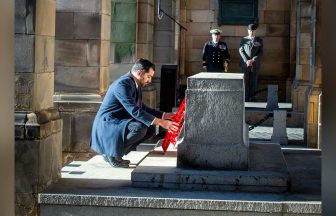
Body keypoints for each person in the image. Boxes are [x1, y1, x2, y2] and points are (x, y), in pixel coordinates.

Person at [90, 58, 179, 168]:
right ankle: (111, 154)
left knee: (150, 128)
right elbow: (134, 110)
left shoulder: (134, 83)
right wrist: (161, 122)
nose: (149, 80)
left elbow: (142, 108)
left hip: (119, 122)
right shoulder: (122, 84)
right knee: (139, 128)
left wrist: (165, 115)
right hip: (108, 124)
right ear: (139, 73)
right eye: (149, 76)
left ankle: (114, 153)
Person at [239, 23, 263, 101]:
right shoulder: (244, 39)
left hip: (255, 64)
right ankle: (246, 96)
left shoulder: (259, 40)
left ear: (255, 31)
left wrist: (253, 60)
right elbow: (241, 50)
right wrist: (246, 61)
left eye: (253, 31)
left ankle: (253, 96)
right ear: (248, 31)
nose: (251, 32)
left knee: (254, 79)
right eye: (250, 30)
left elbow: (261, 52)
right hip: (245, 64)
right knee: (245, 80)